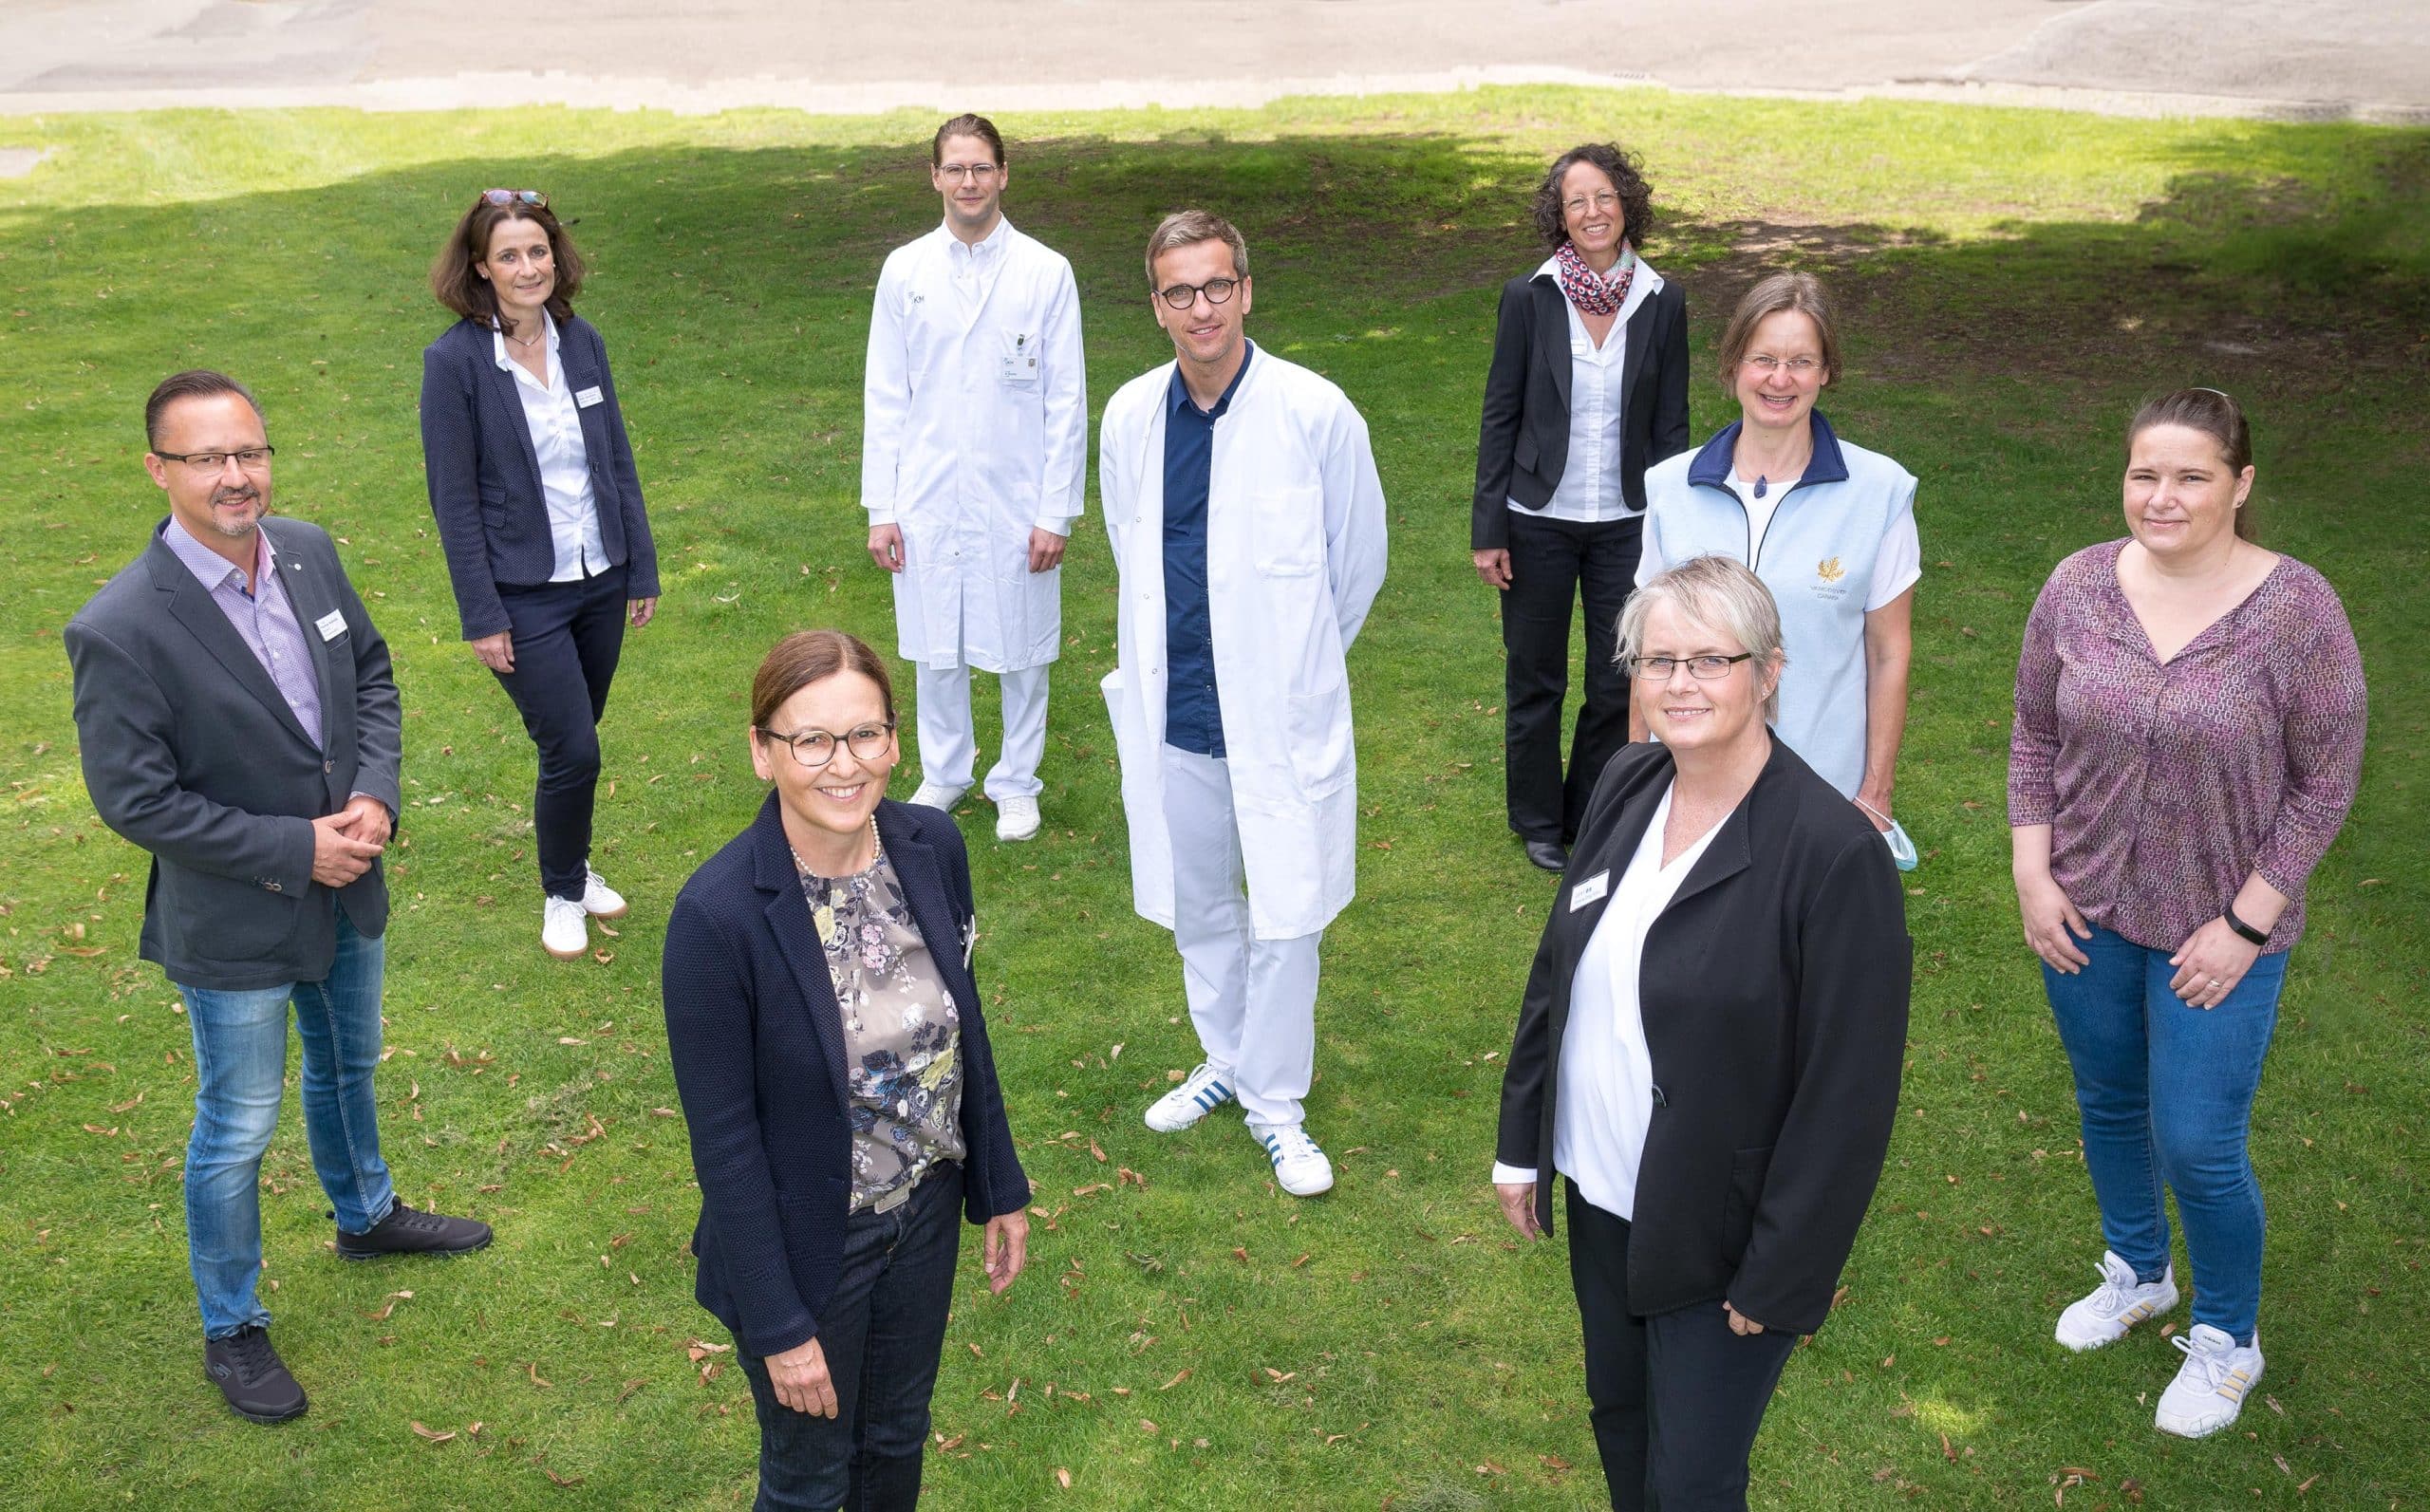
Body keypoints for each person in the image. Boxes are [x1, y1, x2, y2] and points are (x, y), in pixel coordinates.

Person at [64, 371, 493, 1427]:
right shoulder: (121, 626)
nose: (235, 475)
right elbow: (135, 800)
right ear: (157, 469)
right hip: (238, 916)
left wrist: (374, 798)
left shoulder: (307, 550)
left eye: (249, 452)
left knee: (348, 1063)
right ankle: (233, 1325)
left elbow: (376, 677)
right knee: (238, 1122)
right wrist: (295, 848)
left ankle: (365, 1212)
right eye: (207, 458)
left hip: (351, 879)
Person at [1492, 555, 1910, 1509]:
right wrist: (1524, 1143)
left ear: (1768, 671)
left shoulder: (1832, 857)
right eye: (1656, 661)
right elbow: (1559, 972)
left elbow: (1846, 1099)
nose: (1678, 685)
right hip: (1601, 1193)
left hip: (1718, 1236)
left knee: (1690, 1481)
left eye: (1708, 661)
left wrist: (1779, 1277)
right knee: (1621, 1425)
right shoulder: (1628, 782)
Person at [2009, 388, 2365, 1439]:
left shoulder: (2298, 610)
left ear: (2240, 484)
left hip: (2220, 928)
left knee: (2199, 1142)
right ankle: (2137, 1270)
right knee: (2108, 1100)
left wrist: (2247, 924)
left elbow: (2325, 781)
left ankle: (2225, 1339)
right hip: (2083, 908)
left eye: (2191, 476)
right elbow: (2033, 735)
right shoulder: (2077, 585)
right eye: (2144, 474)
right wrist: (2033, 873)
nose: (2161, 497)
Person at [663, 628, 1031, 1509]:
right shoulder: (716, 921)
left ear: (896, 740)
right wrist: (781, 1325)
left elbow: (960, 1034)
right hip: (809, 1247)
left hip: (926, 1214)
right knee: (808, 1482)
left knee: (896, 1442)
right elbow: (726, 1146)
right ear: (762, 752)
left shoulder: (932, 846)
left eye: (866, 734)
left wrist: (999, 1180)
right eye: (812, 739)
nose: (845, 764)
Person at [1096, 210, 1388, 1198]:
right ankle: (1224, 1057)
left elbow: (1356, 565)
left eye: (1217, 285)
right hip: (1173, 710)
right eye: (1179, 292)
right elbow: (1129, 546)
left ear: (1247, 290)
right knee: (1200, 905)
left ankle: (1278, 1102)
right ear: (1156, 308)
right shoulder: (1131, 416)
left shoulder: (1315, 413)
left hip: (1279, 718)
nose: (1201, 307)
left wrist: (1291, 669)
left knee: (1288, 911)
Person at [421, 188, 662, 961]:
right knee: (573, 749)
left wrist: (640, 568)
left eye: (538, 250)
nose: (529, 267)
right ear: (481, 270)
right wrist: (481, 613)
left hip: (599, 576)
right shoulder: (454, 363)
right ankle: (562, 890)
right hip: (523, 594)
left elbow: (616, 459)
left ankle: (575, 864)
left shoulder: (579, 339)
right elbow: (453, 501)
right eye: (510, 255)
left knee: (575, 739)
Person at [864, 112, 1087, 843]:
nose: (968, 182)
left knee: (1022, 644)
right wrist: (882, 505)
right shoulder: (905, 271)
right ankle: (947, 769)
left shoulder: (1045, 272)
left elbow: (1066, 400)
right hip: (928, 490)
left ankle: (1018, 780)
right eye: (954, 168)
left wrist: (1056, 510)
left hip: (1016, 492)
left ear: (1003, 175)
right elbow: (885, 393)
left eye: (981, 168)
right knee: (938, 641)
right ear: (934, 177)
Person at [1636, 271, 1917, 840]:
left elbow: (1889, 652)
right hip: (1690, 787)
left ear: (1827, 371)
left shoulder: (1880, 490)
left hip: (1823, 794)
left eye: (1802, 362)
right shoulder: (1669, 488)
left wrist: (1876, 794)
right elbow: (1650, 655)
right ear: (1734, 364)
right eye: (1763, 358)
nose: (1780, 379)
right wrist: (1638, 774)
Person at [1472, 142, 1691, 872]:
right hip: (1535, 519)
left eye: (1604, 197)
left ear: (1627, 203)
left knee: (1617, 676)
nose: (1592, 212)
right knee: (1535, 674)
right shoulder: (1528, 298)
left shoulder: (1663, 300)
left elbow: (1672, 426)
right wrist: (1487, 529)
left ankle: (1589, 808)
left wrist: (1672, 530)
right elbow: (1499, 415)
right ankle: (1536, 821)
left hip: (1626, 525)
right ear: (1558, 217)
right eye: (1576, 202)